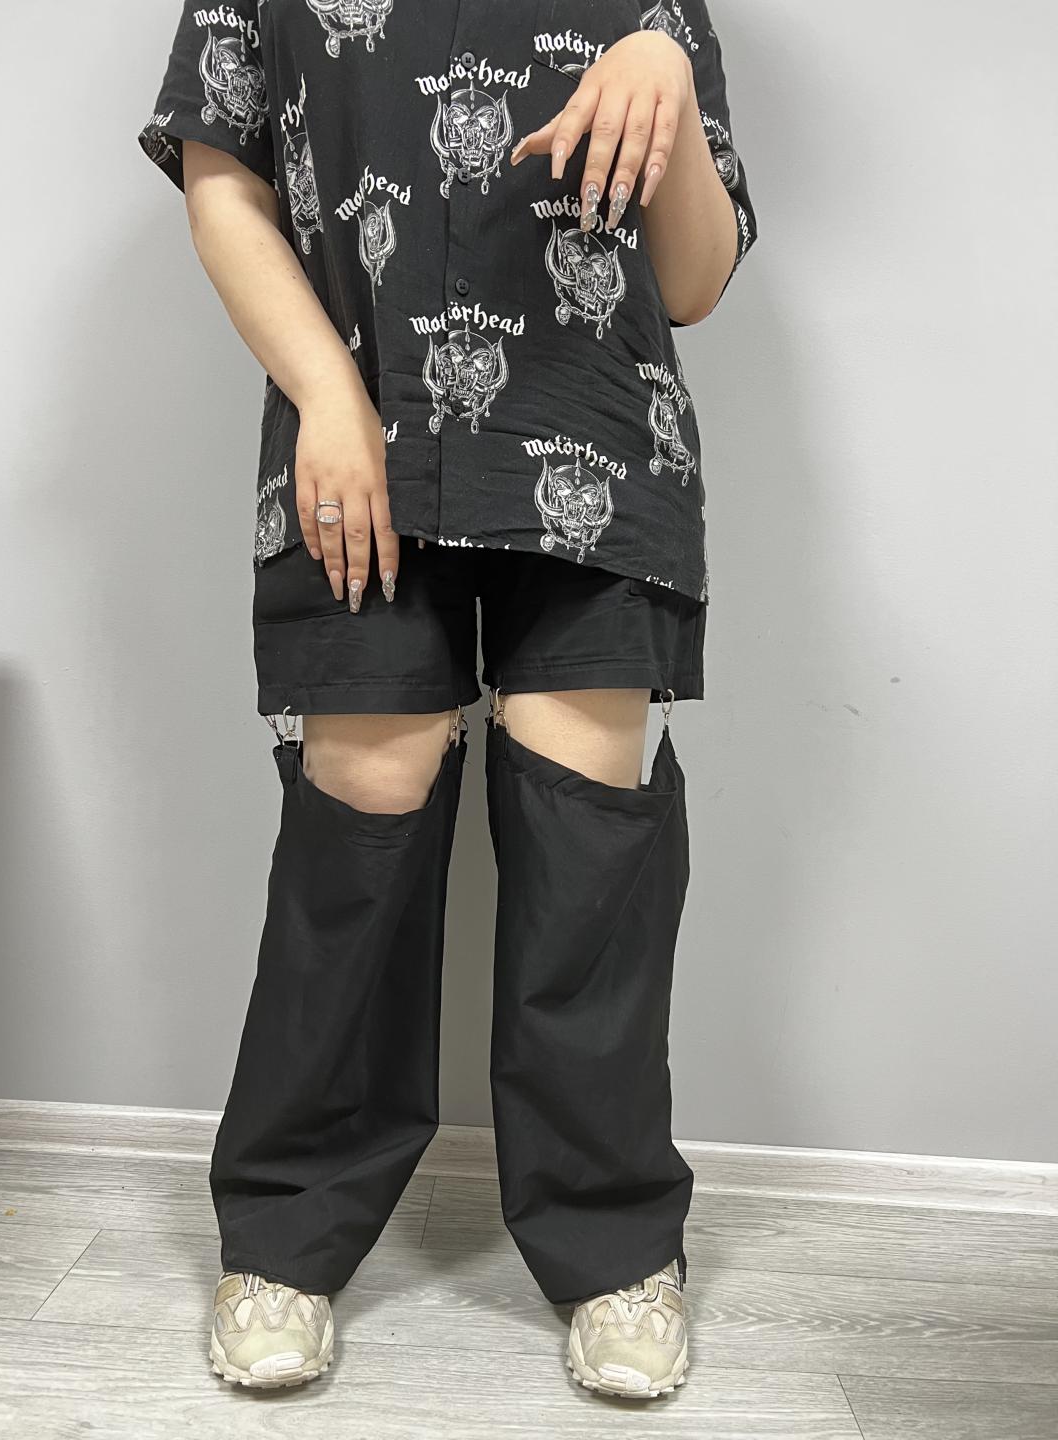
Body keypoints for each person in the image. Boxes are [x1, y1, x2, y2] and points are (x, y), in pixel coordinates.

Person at [137, 0, 757, 1401]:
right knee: (361, 812)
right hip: (361, 439)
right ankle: (286, 1235)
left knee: (589, 839)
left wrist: (665, 77)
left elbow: (695, 280)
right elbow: (221, 180)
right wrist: (324, 394)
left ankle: (615, 1248)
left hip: (597, 437)